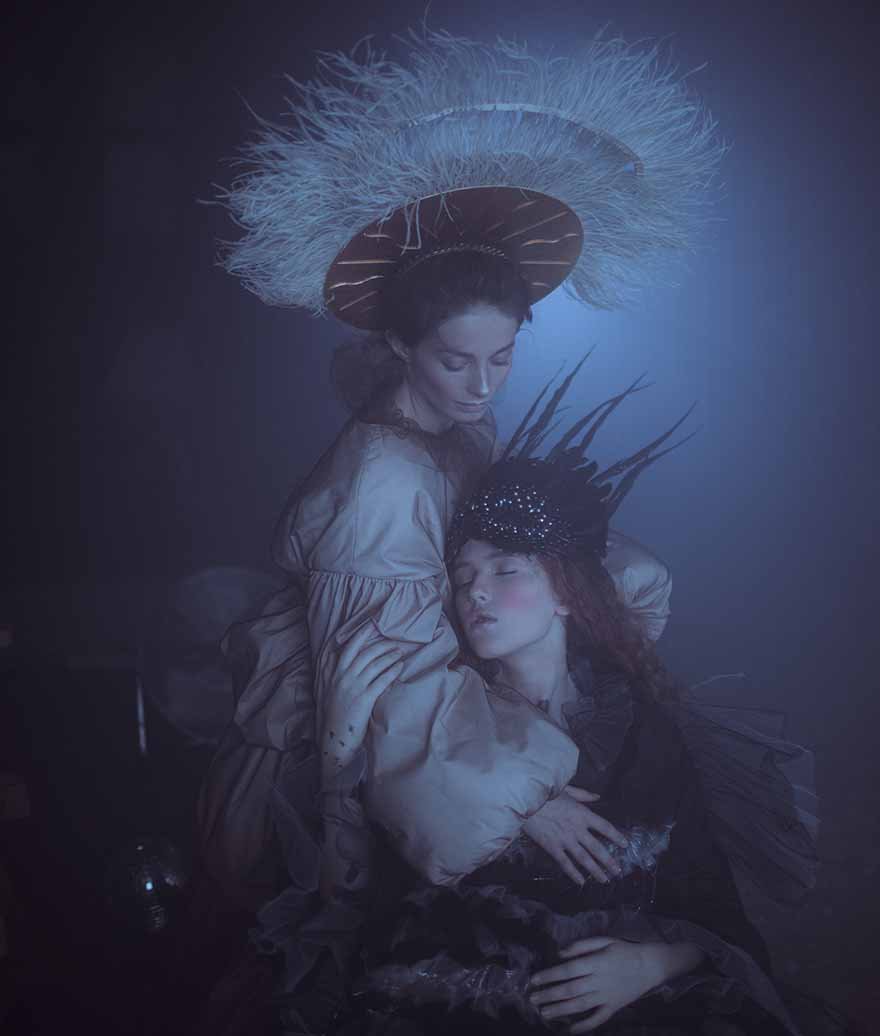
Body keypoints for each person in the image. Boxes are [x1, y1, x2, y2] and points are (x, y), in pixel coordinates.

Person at [196, 27, 722, 920]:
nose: (482, 386)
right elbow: (380, 685)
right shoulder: (383, 480)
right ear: (400, 346)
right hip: (375, 749)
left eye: (502, 358)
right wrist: (523, 796)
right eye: (454, 361)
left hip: (458, 693)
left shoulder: (464, 428)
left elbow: (519, 539)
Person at [276, 381, 830, 1036]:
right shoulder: (435, 725)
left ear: (566, 593)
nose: (476, 592)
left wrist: (653, 963)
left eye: (506, 570)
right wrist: (516, 803)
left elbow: (710, 904)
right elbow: (384, 894)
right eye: (463, 577)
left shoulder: (639, 729)